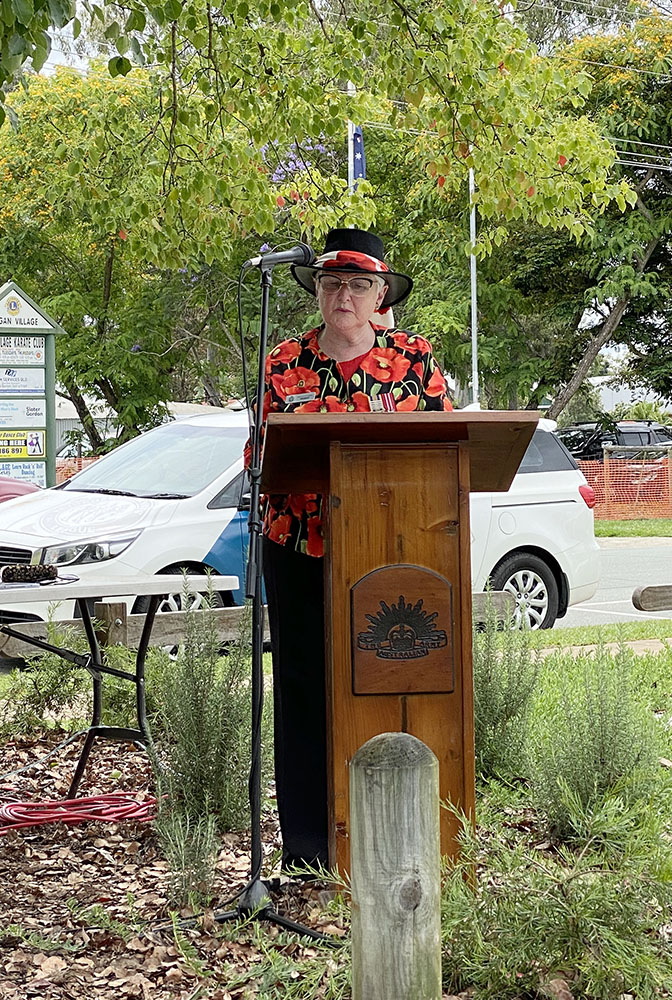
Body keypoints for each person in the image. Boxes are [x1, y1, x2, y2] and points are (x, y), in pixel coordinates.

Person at [260, 228, 452, 873]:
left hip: (394, 550)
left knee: (393, 679)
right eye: (332, 283)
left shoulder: (416, 359)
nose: (344, 295)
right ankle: (309, 847)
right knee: (305, 690)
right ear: (316, 292)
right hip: (301, 547)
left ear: (380, 297)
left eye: (359, 284)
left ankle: (395, 836)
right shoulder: (282, 361)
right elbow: (261, 456)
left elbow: (445, 447)